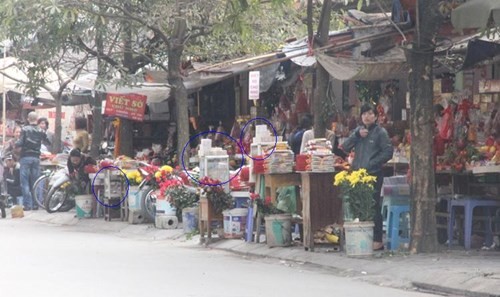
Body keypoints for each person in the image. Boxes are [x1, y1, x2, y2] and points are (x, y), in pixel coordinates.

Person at [341, 103, 394, 251]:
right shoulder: (358, 132)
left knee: (373, 205)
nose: (367, 116)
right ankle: (363, 237)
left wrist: (372, 163)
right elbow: (345, 147)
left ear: (375, 117)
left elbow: (388, 152)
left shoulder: (380, 133)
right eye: (364, 114)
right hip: (357, 175)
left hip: (373, 174)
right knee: (358, 205)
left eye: (370, 114)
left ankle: (377, 240)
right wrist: (357, 135)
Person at [15, 111, 50, 210]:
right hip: (36, 158)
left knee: (25, 182)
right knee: (36, 182)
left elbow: (20, 142)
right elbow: (48, 141)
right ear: (37, 119)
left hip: (25, 157)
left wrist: (16, 144)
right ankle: (36, 204)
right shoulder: (41, 131)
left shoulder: (25, 129)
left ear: (28, 119)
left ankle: (27, 205)